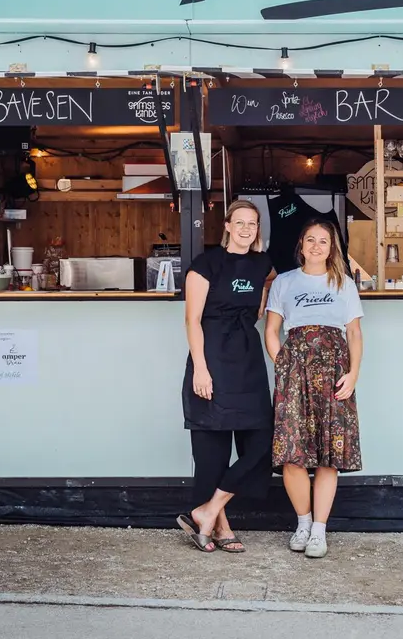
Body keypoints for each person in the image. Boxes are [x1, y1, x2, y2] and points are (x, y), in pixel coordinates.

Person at [177, 200, 275, 554]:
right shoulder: (205, 265)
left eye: (253, 224)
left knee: (263, 444)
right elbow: (192, 321)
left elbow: (268, 291)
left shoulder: (263, 263)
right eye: (241, 223)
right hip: (213, 358)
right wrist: (201, 369)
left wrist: (263, 300)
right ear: (228, 226)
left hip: (248, 359)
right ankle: (220, 524)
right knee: (212, 454)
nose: (247, 229)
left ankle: (207, 510)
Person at [265, 220, 365, 559]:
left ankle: (320, 531)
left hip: (334, 373)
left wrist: (353, 374)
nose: (317, 246)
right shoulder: (284, 282)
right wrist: (284, 368)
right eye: (311, 240)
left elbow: (353, 334)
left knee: (328, 455)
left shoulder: (345, 284)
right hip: (294, 375)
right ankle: (303, 523)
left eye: (324, 241)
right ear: (302, 245)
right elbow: (272, 330)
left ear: (332, 247)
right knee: (292, 453)